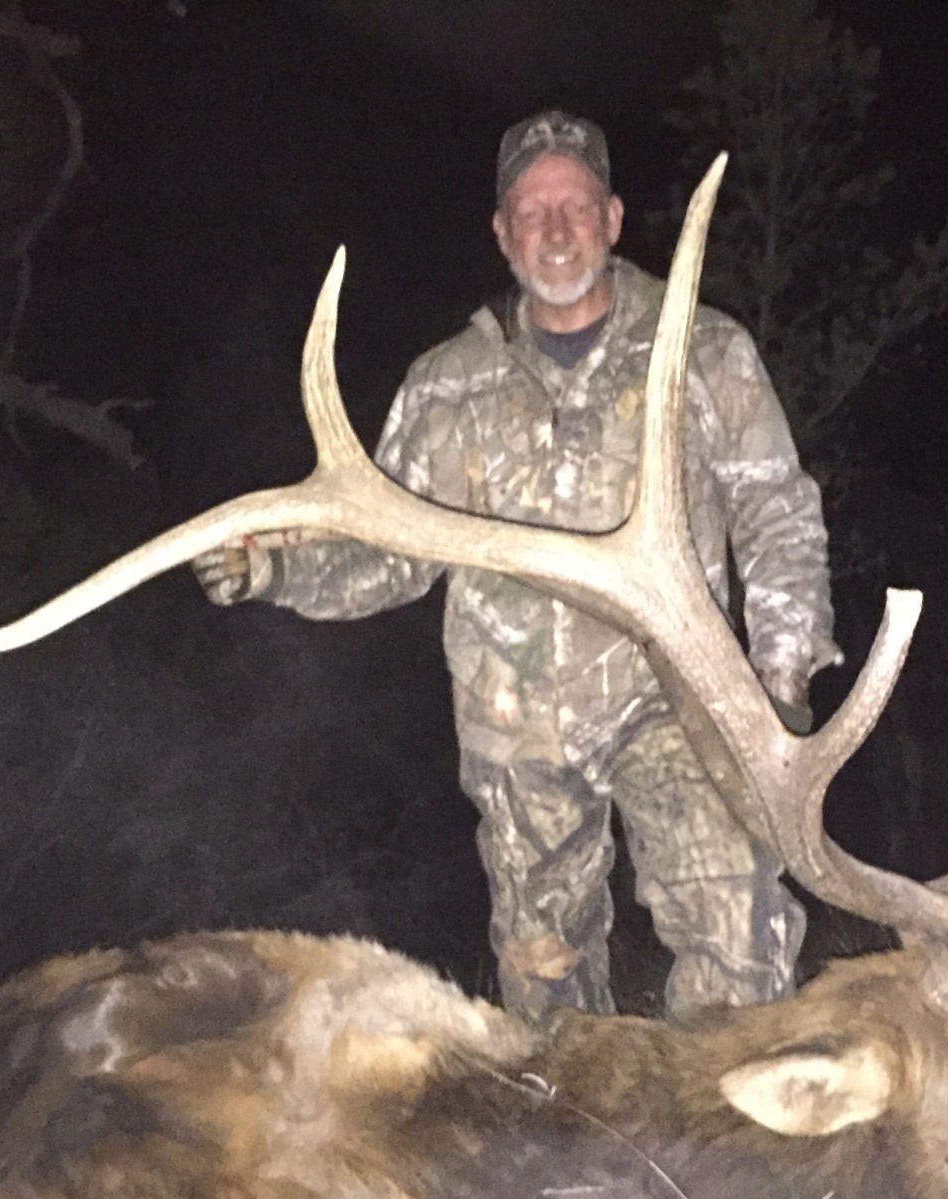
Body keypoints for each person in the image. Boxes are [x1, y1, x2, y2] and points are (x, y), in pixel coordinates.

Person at [194, 110, 839, 1020]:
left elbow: (777, 512)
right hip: (517, 735)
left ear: (612, 219)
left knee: (739, 953)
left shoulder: (706, 350)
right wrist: (274, 572)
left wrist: (780, 675)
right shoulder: (446, 384)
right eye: (532, 211)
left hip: (682, 707)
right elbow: (389, 560)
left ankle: (734, 1114)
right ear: (502, 233)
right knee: (547, 1003)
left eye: (575, 204)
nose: (556, 228)